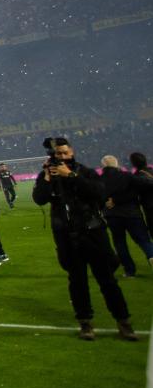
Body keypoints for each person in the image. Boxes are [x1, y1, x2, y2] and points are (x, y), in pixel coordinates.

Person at [32, 138, 137, 341]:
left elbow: (98, 193)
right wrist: (46, 177)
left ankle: (123, 322)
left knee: (107, 280)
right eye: (58, 153)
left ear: (72, 152)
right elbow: (39, 199)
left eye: (64, 153)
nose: (61, 156)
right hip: (66, 236)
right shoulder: (47, 175)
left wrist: (71, 175)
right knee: (77, 282)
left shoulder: (85, 171)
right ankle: (85, 323)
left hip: (93, 233)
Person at [98, 156, 153, 278]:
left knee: (120, 243)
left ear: (103, 166)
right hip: (132, 214)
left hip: (112, 215)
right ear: (117, 164)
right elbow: (143, 186)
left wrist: (109, 202)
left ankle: (129, 271)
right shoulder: (127, 176)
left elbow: (97, 196)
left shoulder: (100, 179)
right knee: (143, 240)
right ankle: (151, 255)